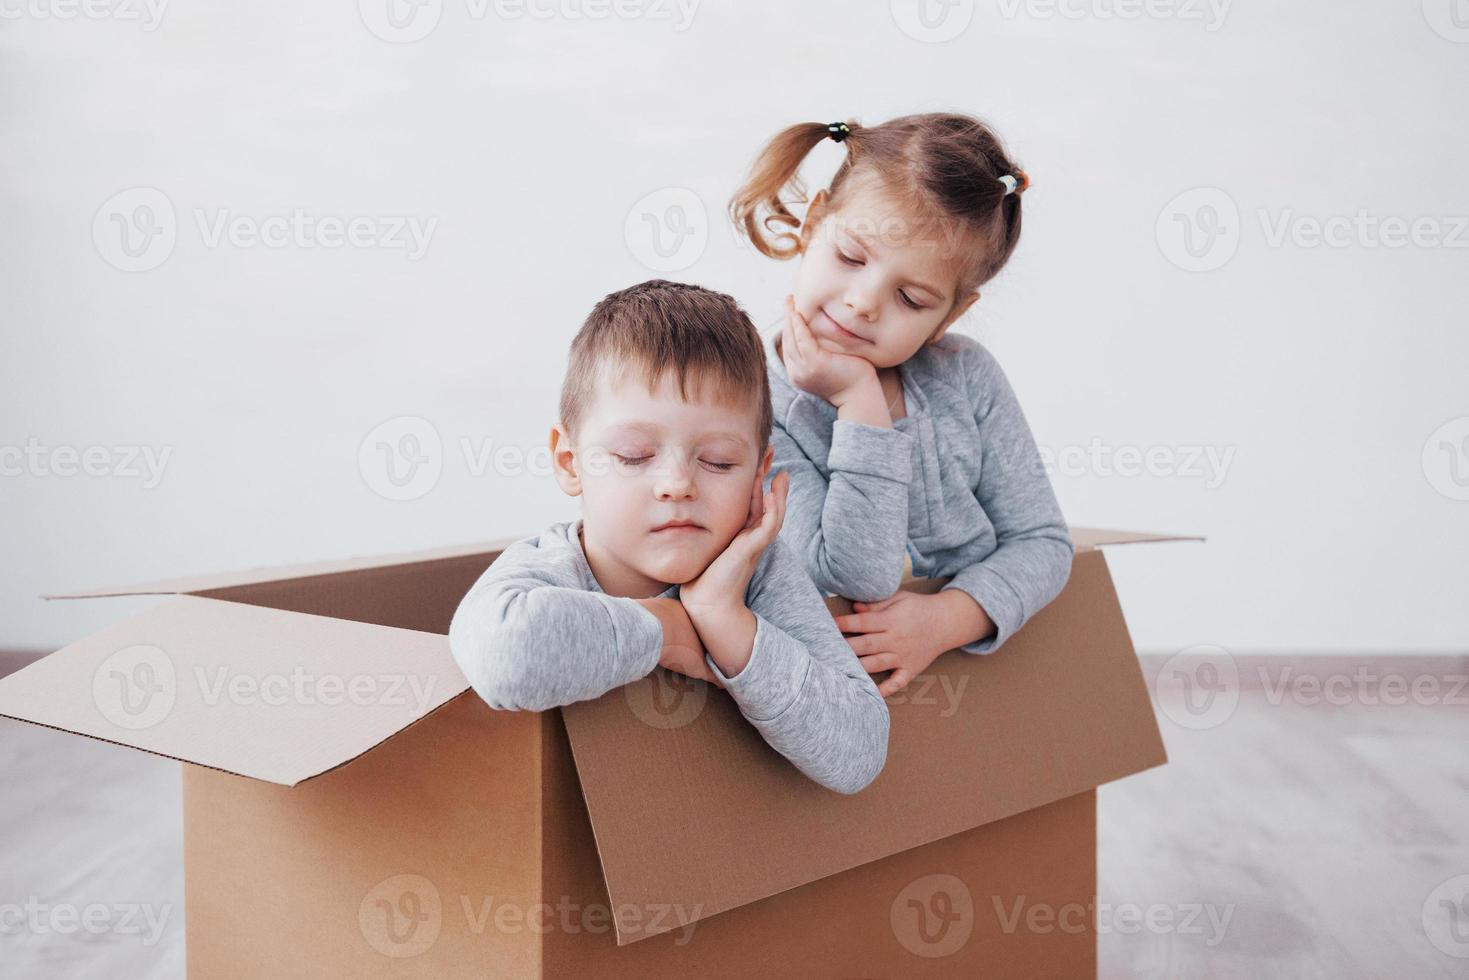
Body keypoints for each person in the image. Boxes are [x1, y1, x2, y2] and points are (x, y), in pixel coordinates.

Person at [448, 280, 889, 795]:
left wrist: (726, 621)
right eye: (634, 455)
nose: (678, 484)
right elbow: (508, 658)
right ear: (571, 463)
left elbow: (859, 752)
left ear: (758, 473)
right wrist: (671, 629)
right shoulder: (548, 569)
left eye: (718, 461)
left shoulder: (758, 573)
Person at [730, 113, 1074, 697]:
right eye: (851, 257)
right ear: (814, 224)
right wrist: (859, 403)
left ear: (950, 316)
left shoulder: (965, 377)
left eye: (911, 298)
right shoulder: (748, 396)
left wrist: (947, 619)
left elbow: (1043, 542)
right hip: (832, 692)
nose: (864, 302)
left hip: (977, 690)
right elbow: (849, 572)